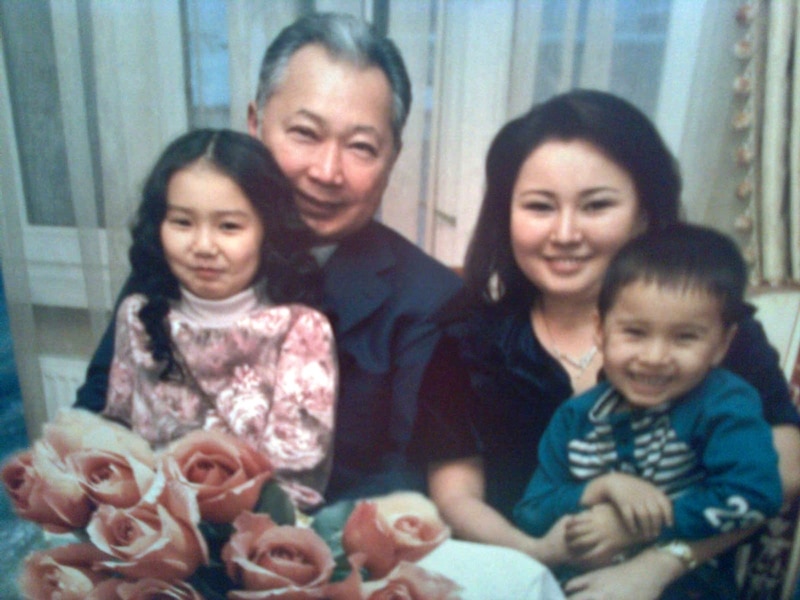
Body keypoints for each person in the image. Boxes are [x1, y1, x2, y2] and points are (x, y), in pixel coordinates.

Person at [418, 89, 800, 599]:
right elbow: (457, 497)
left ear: (645, 213)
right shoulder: (466, 340)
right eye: (539, 206)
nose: (565, 233)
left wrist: (658, 559)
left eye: (596, 205)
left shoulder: (711, 329)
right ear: (506, 215)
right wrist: (537, 555)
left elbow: (784, 467)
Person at [75, 13, 463, 504]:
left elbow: (404, 480)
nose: (327, 171)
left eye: (361, 146)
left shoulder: (431, 300)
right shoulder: (187, 250)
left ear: (393, 156)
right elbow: (100, 408)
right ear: (254, 123)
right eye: (305, 133)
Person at [513, 223, 783, 596]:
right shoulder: (576, 417)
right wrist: (600, 489)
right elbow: (530, 512)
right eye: (635, 333)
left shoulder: (725, 405)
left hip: (686, 585)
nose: (655, 357)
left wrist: (638, 526)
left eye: (685, 337)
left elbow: (756, 493)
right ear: (600, 330)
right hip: (573, 584)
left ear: (722, 344)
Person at [101, 128, 336, 510]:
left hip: (257, 528)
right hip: (151, 521)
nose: (203, 247)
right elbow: (119, 435)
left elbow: (298, 478)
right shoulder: (139, 316)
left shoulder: (300, 329)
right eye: (182, 222)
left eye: (229, 226)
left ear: (267, 231)